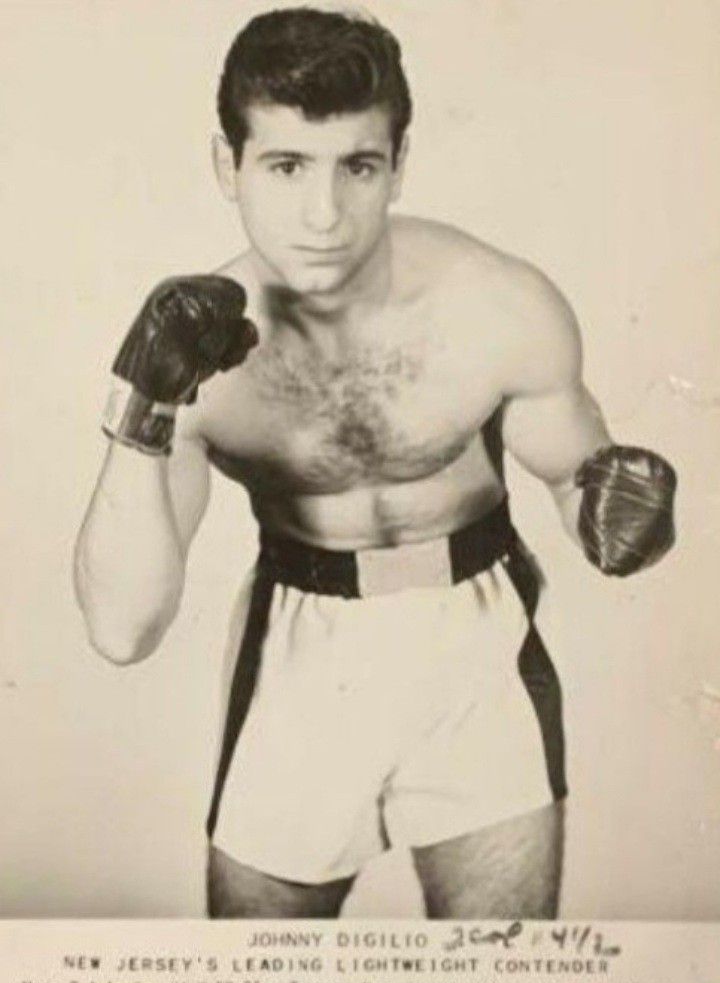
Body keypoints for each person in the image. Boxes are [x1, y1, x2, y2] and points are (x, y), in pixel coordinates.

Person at [73, 7, 676, 920]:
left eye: (357, 166)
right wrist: (144, 408)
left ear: (399, 164)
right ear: (225, 166)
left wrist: (616, 507)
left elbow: (580, 483)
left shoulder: (498, 307)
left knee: (503, 974)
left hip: (479, 643)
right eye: (285, 166)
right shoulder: (201, 357)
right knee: (262, 979)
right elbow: (122, 630)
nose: (324, 215)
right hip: (298, 650)